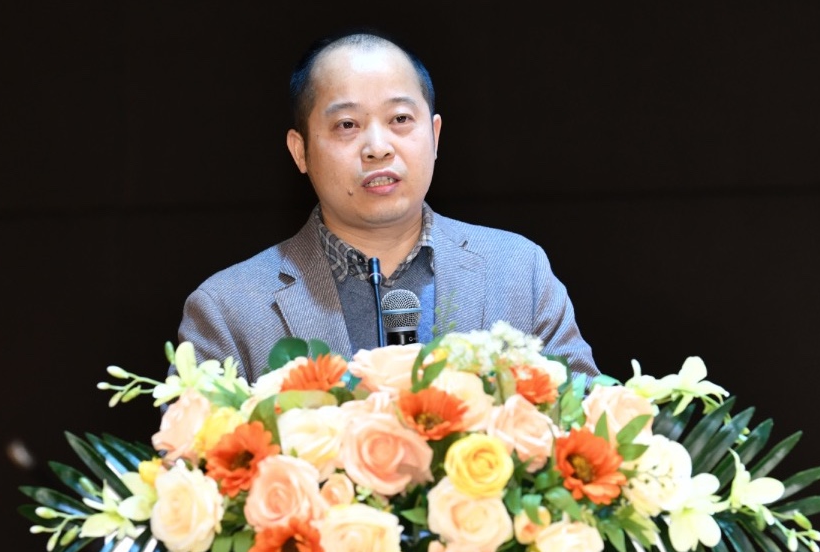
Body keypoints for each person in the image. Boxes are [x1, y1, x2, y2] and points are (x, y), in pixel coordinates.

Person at [176, 30, 598, 382]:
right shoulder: (228, 309)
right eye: (347, 125)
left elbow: (591, 431)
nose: (377, 148)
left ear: (435, 135)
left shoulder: (519, 271)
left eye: (400, 119)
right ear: (300, 151)